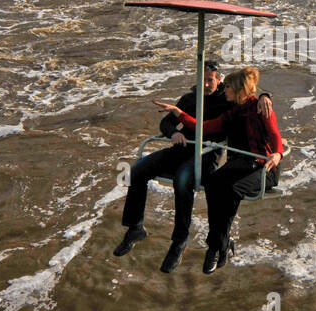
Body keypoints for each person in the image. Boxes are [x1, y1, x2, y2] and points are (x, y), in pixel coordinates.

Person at [113, 60, 272, 273]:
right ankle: (135, 228)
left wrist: (265, 95)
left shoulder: (228, 100)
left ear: (219, 80)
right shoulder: (189, 99)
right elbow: (167, 122)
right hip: (181, 148)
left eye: (209, 80)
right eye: (202, 79)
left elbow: (248, 96)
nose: (206, 84)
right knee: (137, 170)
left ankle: (179, 241)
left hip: (206, 156)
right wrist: (174, 133)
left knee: (183, 180)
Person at [154, 66, 286, 274]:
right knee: (213, 183)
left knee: (231, 190)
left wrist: (277, 154)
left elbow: (275, 134)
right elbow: (204, 127)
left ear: (238, 90)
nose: (224, 92)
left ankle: (216, 246)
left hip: (264, 167)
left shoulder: (261, 107)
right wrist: (179, 113)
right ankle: (222, 244)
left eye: (228, 89)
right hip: (241, 164)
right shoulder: (233, 112)